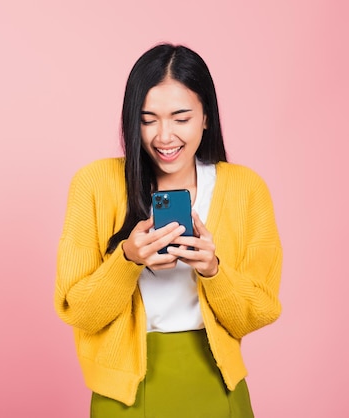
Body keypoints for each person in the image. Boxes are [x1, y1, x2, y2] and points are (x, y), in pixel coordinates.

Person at [54, 43, 282, 417]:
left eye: (181, 118)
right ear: (132, 120)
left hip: (216, 382)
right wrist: (127, 260)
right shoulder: (94, 184)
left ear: (206, 117)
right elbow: (78, 312)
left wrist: (214, 270)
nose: (164, 136)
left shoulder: (245, 189)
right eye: (148, 119)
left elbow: (258, 312)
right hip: (125, 393)